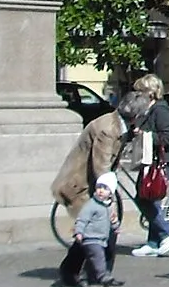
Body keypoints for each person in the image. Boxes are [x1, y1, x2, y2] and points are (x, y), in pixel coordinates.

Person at [51, 89, 150, 276]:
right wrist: (108, 201)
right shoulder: (107, 130)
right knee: (99, 228)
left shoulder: (117, 124)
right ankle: (91, 273)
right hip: (80, 186)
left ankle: (93, 272)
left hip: (88, 185)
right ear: (135, 115)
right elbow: (101, 168)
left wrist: (130, 136)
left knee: (97, 230)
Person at [128, 73, 169, 258]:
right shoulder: (147, 111)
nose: (138, 96)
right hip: (149, 161)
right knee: (148, 197)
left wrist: (145, 135)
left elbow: (168, 138)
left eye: (140, 92)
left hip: (162, 161)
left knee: (146, 198)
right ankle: (153, 242)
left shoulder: (161, 110)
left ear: (150, 93)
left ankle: (167, 232)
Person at [58, 171, 124, 287]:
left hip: (100, 237)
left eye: (105, 188)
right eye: (99, 187)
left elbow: (112, 220)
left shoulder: (108, 206)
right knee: (96, 255)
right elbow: (82, 219)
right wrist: (79, 232)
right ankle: (102, 276)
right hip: (91, 237)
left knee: (97, 255)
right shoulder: (92, 205)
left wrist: (115, 227)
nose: (101, 190)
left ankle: (88, 276)